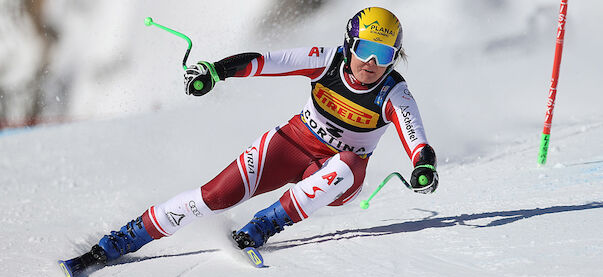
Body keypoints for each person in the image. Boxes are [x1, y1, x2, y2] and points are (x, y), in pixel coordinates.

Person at [86, 7, 439, 263]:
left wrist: (424, 166)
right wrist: (215, 72)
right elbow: (267, 61)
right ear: (349, 45)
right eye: (365, 50)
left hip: (341, 177)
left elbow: (416, 139)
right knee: (213, 196)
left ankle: (265, 224)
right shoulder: (326, 60)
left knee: (345, 164)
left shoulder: (393, 92)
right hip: (294, 144)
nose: (371, 63)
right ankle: (127, 237)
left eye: (384, 55)